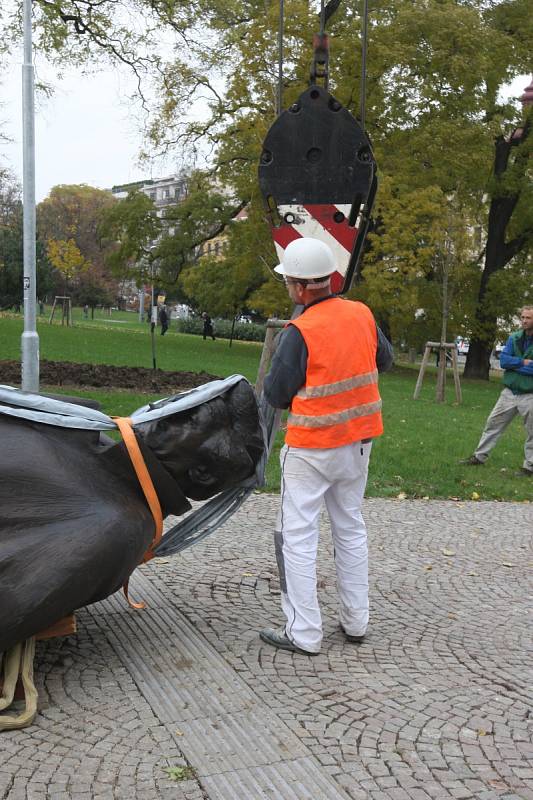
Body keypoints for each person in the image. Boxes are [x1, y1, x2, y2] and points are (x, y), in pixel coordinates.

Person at [259, 237, 393, 656]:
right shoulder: (362, 314)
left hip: (311, 447)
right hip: (358, 443)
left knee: (296, 535)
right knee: (350, 526)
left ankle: (304, 633)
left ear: (299, 288)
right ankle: (357, 622)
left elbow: (277, 393)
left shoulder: (300, 330)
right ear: (330, 279)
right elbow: (383, 361)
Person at [461, 305, 533, 476]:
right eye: (522, 317)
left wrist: (515, 365)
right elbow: (504, 361)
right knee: (493, 423)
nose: (524, 321)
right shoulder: (514, 338)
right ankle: (479, 456)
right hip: (509, 392)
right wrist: (523, 363)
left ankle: (529, 466)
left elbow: (512, 364)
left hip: (530, 394)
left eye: (528, 318)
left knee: (532, 431)